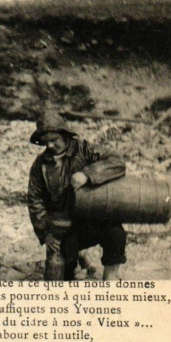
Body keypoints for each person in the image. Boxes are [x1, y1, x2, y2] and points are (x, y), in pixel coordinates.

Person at [27, 110, 127, 281]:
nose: (50, 146)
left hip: (92, 218)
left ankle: (111, 276)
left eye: (54, 140)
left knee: (116, 233)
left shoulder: (84, 149)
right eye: (46, 142)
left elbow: (117, 162)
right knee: (62, 273)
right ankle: (77, 260)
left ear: (64, 134)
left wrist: (88, 174)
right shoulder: (40, 164)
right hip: (64, 226)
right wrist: (46, 234)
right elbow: (35, 200)